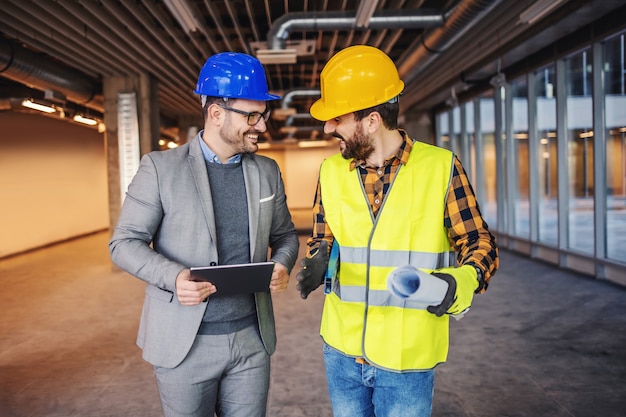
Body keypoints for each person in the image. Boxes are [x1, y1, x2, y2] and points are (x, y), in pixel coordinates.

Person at [295, 45, 499, 417]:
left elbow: (478, 241)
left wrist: (461, 282)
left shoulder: (440, 168)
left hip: (407, 356)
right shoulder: (330, 172)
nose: (327, 127)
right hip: (341, 351)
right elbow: (323, 237)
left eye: (337, 118)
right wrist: (319, 256)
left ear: (371, 121)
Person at [109, 52, 299, 417]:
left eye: (263, 115)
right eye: (252, 116)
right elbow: (124, 243)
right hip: (184, 343)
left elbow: (286, 235)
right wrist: (174, 276)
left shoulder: (267, 171)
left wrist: (282, 262)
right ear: (216, 113)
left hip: (251, 341)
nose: (261, 126)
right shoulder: (160, 169)